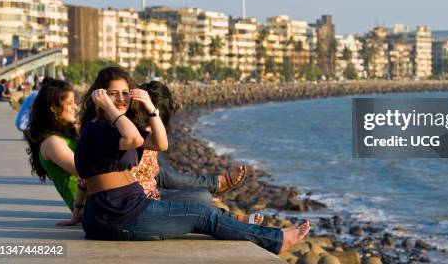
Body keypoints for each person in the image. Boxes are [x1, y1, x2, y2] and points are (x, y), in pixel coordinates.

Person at [74, 66, 309, 254]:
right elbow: (133, 138)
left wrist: (151, 109)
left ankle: (269, 236)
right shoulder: (99, 129)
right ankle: (275, 240)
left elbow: (160, 143)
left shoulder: (112, 128)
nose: (121, 99)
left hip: (122, 209)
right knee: (201, 215)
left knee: (201, 208)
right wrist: (107, 107)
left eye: (125, 93)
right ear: (100, 95)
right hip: (118, 215)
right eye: (113, 94)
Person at [133, 81, 261, 224]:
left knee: (164, 174)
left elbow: (151, 174)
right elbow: (151, 180)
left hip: (150, 185)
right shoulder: (138, 135)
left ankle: (215, 185)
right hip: (146, 201)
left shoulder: (139, 131)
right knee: (203, 198)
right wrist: (190, 196)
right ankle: (228, 212)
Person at [23, 79, 87, 225]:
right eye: (70, 103)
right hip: (90, 207)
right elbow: (86, 172)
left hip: (99, 199)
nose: (75, 107)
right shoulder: (52, 143)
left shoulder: (69, 134)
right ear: (54, 108)